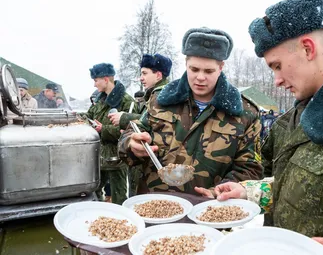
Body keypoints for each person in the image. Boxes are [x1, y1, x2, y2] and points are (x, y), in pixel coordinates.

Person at [196, 0, 323, 254]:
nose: (277, 80)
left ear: (307, 48)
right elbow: (303, 187)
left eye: (277, 66)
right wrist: (250, 193)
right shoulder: (301, 114)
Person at [118, 27, 263, 195]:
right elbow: (133, 133)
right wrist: (130, 144)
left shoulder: (245, 113)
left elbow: (250, 169)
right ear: (186, 63)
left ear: (221, 67)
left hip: (209, 211)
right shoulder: (161, 99)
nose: (200, 77)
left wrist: (220, 191)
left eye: (208, 71)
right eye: (194, 69)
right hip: (155, 207)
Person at [82, 63, 134, 204]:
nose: (94, 85)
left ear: (105, 79)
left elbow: (131, 131)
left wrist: (103, 129)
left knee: (119, 197)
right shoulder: (100, 101)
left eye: (96, 80)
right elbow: (88, 117)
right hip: (100, 158)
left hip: (118, 159)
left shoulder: (126, 101)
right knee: (93, 191)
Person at [108, 53, 172, 130]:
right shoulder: (154, 94)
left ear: (158, 75)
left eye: (144, 73)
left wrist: (124, 118)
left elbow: (154, 122)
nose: (141, 78)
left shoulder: (162, 95)